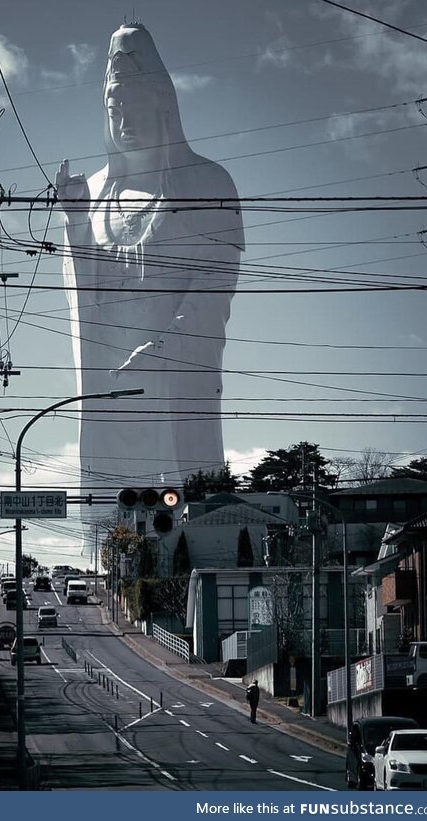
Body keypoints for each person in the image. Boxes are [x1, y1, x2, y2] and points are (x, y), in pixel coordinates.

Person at [55, 23, 244, 494]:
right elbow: (83, 300)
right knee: (111, 497)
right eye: (114, 108)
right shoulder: (95, 191)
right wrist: (75, 223)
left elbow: (213, 294)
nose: (125, 122)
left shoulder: (208, 184)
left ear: (164, 105)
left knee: (184, 494)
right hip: (109, 385)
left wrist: (162, 349)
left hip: (173, 380)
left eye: (135, 105)